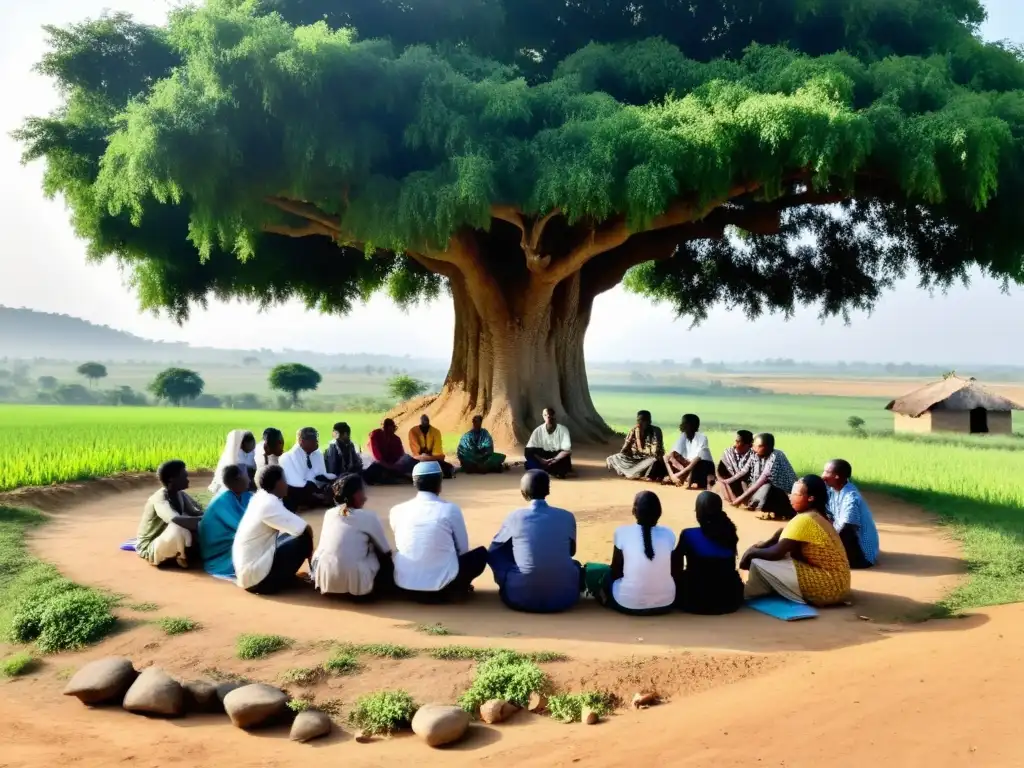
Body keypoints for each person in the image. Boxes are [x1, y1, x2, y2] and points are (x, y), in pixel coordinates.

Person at [740, 475, 851, 607]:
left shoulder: (804, 520)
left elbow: (775, 553)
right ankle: (763, 588)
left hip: (827, 589)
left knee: (759, 562)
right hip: (840, 585)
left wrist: (751, 552)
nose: (790, 496)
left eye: (795, 494)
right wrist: (765, 544)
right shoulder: (817, 516)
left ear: (810, 498)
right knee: (779, 557)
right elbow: (783, 538)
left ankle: (749, 592)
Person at [388, 461, 487, 602]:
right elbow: (463, 550)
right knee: (480, 555)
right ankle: (457, 588)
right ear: (440, 483)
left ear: (414, 483)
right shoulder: (450, 509)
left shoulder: (396, 510)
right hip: (444, 588)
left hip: (406, 587)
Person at [487, 470, 581, 613]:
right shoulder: (567, 516)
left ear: (523, 492)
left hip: (520, 597)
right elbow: (571, 551)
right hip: (564, 599)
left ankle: (511, 583)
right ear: (548, 490)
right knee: (575, 564)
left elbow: (493, 551)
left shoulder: (515, 516)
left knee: (501, 551)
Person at [311, 473, 395, 600]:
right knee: (376, 548)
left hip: (326, 582)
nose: (365, 496)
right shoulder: (368, 517)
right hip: (356, 587)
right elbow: (386, 551)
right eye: (363, 491)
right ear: (356, 494)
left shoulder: (329, 514)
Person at [232, 464, 314, 595]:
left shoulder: (260, 497)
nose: (287, 484)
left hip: (249, 573)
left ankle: (285, 576)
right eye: (285, 480)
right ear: (278, 483)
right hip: (256, 581)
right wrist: (312, 564)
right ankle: (303, 576)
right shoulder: (268, 504)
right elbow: (306, 529)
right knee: (303, 539)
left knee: (290, 535)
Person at [596, 491, 676, 615]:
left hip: (628, 604)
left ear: (634, 511)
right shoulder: (669, 534)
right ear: (659, 512)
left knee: (606, 575)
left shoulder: (622, 532)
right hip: (666, 603)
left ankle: (604, 598)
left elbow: (616, 571)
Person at [673, 492, 744, 614]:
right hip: (727, 602)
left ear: (698, 513)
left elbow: (676, 568)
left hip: (695, 601)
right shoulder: (729, 533)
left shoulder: (688, 534)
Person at [136, 460, 204, 568]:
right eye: (184, 476)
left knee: (192, 522)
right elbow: (175, 519)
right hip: (150, 547)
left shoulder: (180, 494)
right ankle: (180, 556)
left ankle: (183, 553)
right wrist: (205, 521)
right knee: (180, 526)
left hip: (165, 538)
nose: (187, 479)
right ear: (172, 479)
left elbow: (197, 512)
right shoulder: (159, 498)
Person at [822, 459, 879, 569]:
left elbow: (847, 530)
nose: (823, 475)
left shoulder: (850, 497)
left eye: (827, 472)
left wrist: (825, 546)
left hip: (862, 556)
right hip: (846, 539)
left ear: (837, 476)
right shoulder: (833, 489)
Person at [198, 464, 252, 579]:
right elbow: (242, 528)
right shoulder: (222, 501)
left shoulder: (246, 496)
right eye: (247, 475)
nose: (250, 479)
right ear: (237, 479)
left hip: (232, 542)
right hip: (219, 555)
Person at [732, 433, 798, 519]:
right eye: (754, 446)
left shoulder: (775, 456)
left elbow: (762, 480)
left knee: (766, 486)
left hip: (784, 495)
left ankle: (769, 510)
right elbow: (743, 472)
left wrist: (740, 498)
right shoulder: (756, 454)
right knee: (741, 480)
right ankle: (752, 503)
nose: (754, 448)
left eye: (758, 446)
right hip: (763, 489)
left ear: (767, 447)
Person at [280, 426, 334, 510]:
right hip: (300, 490)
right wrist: (314, 491)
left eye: (316, 438)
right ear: (302, 441)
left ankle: (321, 498)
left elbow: (321, 474)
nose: (317, 441)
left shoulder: (318, 454)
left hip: (316, 487)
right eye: (313, 439)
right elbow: (296, 482)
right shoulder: (288, 457)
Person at [606, 410, 666, 481]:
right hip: (635, 459)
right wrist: (626, 449)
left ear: (649, 421)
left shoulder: (656, 431)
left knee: (654, 461)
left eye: (643, 420)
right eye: (638, 420)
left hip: (649, 459)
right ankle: (635, 472)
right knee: (613, 457)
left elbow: (655, 451)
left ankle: (640, 474)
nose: (639, 423)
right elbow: (624, 449)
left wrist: (642, 451)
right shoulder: (634, 430)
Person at [664, 414, 715, 489]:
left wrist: (677, 475)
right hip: (688, 467)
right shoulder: (683, 436)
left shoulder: (702, 438)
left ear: (690, 426)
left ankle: (685, 479)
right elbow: (668, 457)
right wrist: (672, 475)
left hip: (702, 468)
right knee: (671, 456)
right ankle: (680, 478)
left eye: (683, 423)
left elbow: (695, 461)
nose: (680, 425)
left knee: (698, 462)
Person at [365, 418, 417, 484]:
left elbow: (400, 455)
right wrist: (390, 467)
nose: (390, 431)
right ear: (384, 428)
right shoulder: (376, 435)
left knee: (409, 460)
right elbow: (377, 458)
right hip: (380, 465)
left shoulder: (396, 439)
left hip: (393, 464)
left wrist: (396, 465)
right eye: (388, 429)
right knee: (373, 471)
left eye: (392, 428)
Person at [525, 407, 573, 478]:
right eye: (545, 415)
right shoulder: (538, 431)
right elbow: (529, 449)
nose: (548, 416)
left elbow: (567, 450)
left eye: (550, 414)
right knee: (528, 454)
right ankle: (547, 468)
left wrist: (554, 459)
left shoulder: (563, 430)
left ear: (554, 415)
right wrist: (542, 460)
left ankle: (550, 469)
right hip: (543, 457)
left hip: (557, 457)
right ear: (543, 416)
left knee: (564, 462)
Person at [408, 414, 455, 479]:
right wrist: (421, 457)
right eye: (423, 422)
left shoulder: (436, 432)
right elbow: (415, 453)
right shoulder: (413, 431)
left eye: (426, 422)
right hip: (419, 460)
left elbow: (438, 453)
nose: (425, 423)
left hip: (433, 459)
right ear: (421, 422)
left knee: (448, 467)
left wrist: (427, 458)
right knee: (410, 464)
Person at [716, 430, 754, 503]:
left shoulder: (754, 455)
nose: (735, 444)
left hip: (747, 485)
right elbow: (719, 471)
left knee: (744, 481)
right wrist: (722, 481)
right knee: (721, 485)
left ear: (748, 445)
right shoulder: (728, 453)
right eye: (736, 441)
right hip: (730, 483)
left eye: (738, 442)